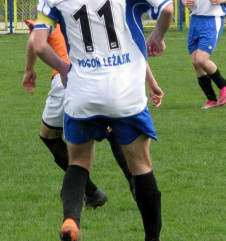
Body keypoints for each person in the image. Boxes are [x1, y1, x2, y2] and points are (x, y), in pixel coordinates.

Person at [32, 0, 174, 241]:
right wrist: (157, 38)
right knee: (140, 165)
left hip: (82, 91)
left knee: (78, 161)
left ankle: (71, 220)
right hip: (125, 91)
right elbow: (167, 7)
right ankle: (152, 238)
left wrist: (66, 68)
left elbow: (39, 44)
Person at [22, 19, 164, 208]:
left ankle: (91, 192)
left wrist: (29, 69)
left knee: (50, 136)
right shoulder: (97, 16)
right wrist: (152, 82)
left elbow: (35, 41)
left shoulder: (52, 12)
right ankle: (136, 184)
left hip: (68, 80)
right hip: (105, 79)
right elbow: (132, 47)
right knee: (112, 127)